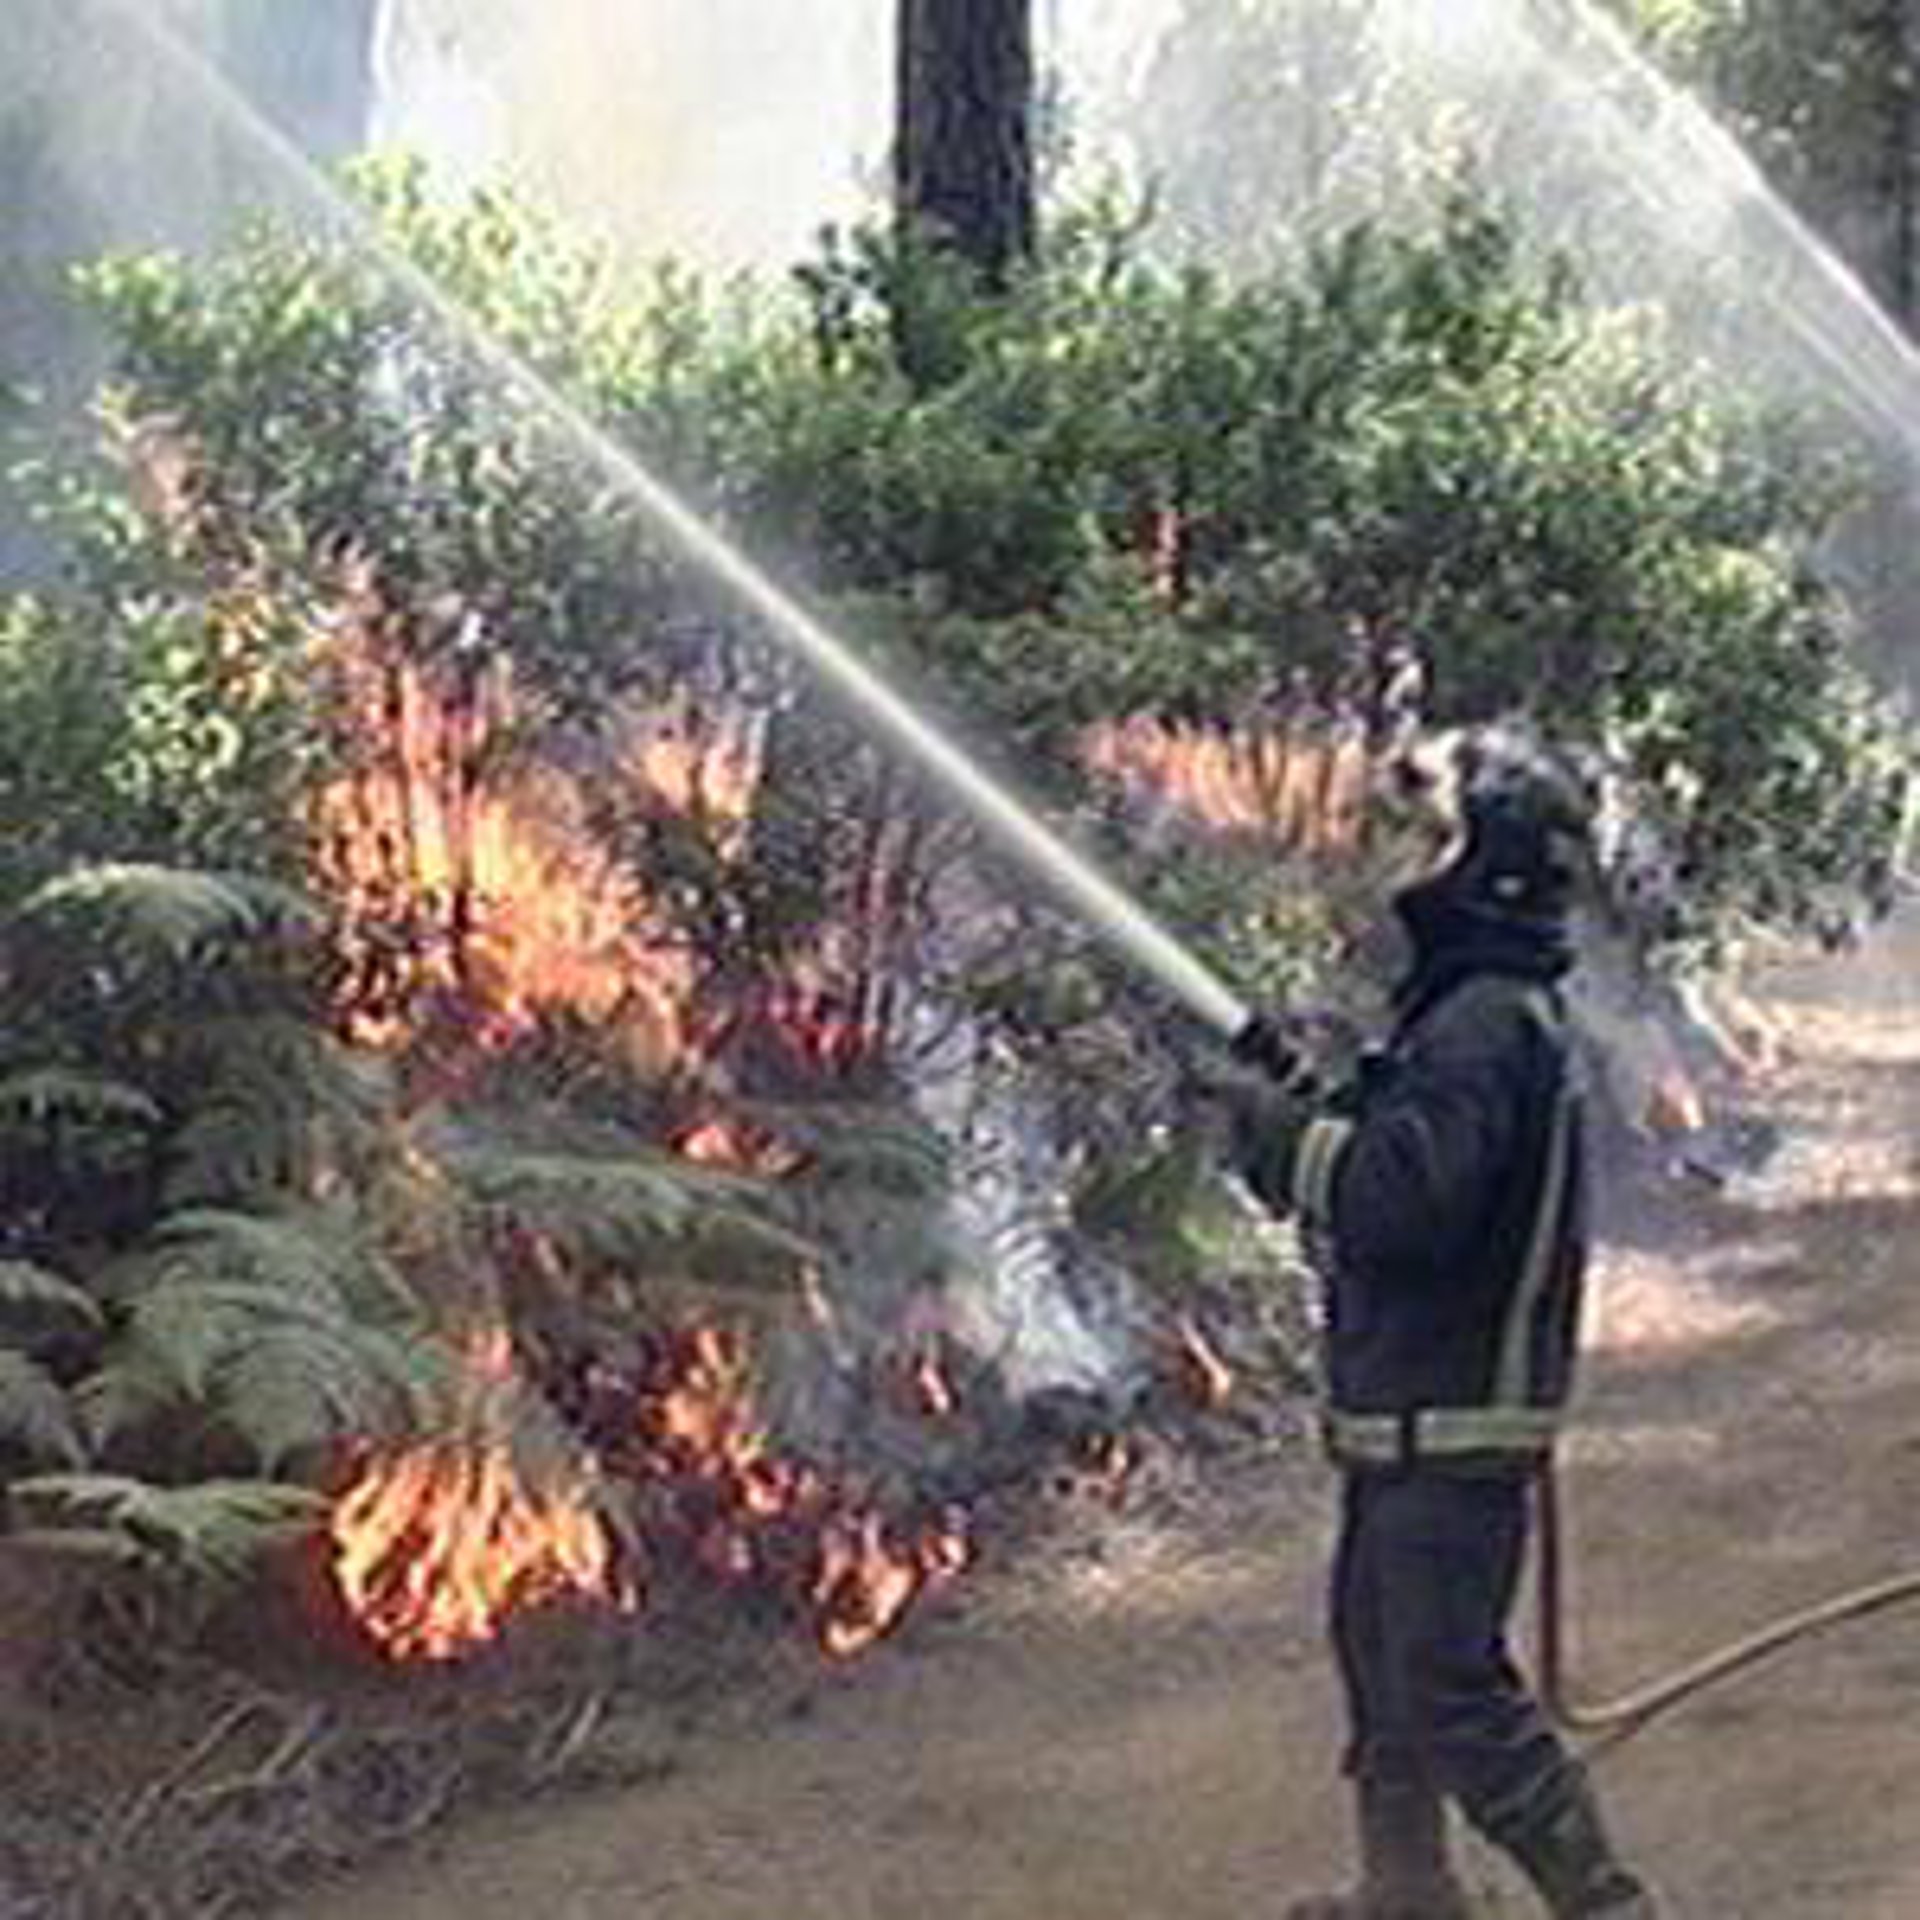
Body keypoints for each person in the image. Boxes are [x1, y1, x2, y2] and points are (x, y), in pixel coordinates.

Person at [1224, 727, 1658, 1919]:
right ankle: (1407, 1891)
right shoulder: (1471, 1019)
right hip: (1409, 1424)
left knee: (1449, 1688)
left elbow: (1403, 1205)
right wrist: (1320, 1105)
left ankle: (1605, 1906)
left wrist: (1282, 1143)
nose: (1400, 860)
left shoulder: (1485, 1027)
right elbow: (1404, 1152)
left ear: (1487, 867)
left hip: (1449, 1429)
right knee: (1382, 1669)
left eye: (1427, 836)